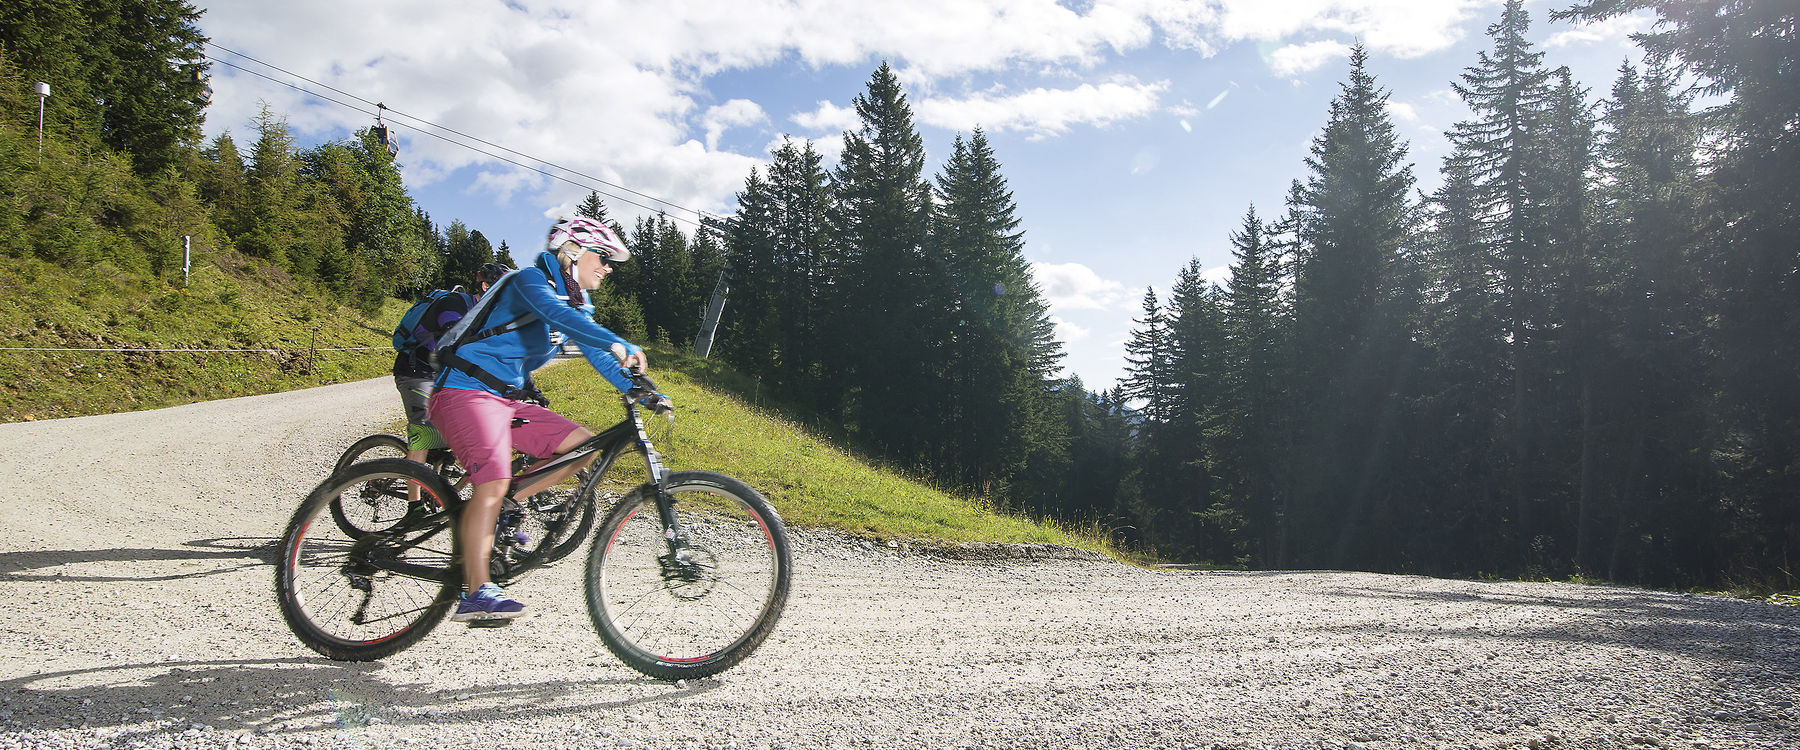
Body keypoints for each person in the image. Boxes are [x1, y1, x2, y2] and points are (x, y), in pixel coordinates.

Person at [428, 218, 646, 622]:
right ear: (575, 252)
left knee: (583, 446)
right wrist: (616, 340)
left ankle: (505, 505)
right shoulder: (530, 281)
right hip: (463, 392)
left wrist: (643, 390)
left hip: (507, 401)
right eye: (603, 256)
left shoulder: (578, 304)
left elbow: (595, 351)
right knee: (491, 481)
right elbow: (557, 316)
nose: (609, 267)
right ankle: (475, 591)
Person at [389, 263, 511, 501]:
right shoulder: (454, 304)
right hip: (417, 370)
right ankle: (413, 508)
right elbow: (452, 341)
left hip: (443, 375)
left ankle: (440, 464)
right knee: (423, 431)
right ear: (486, 286)